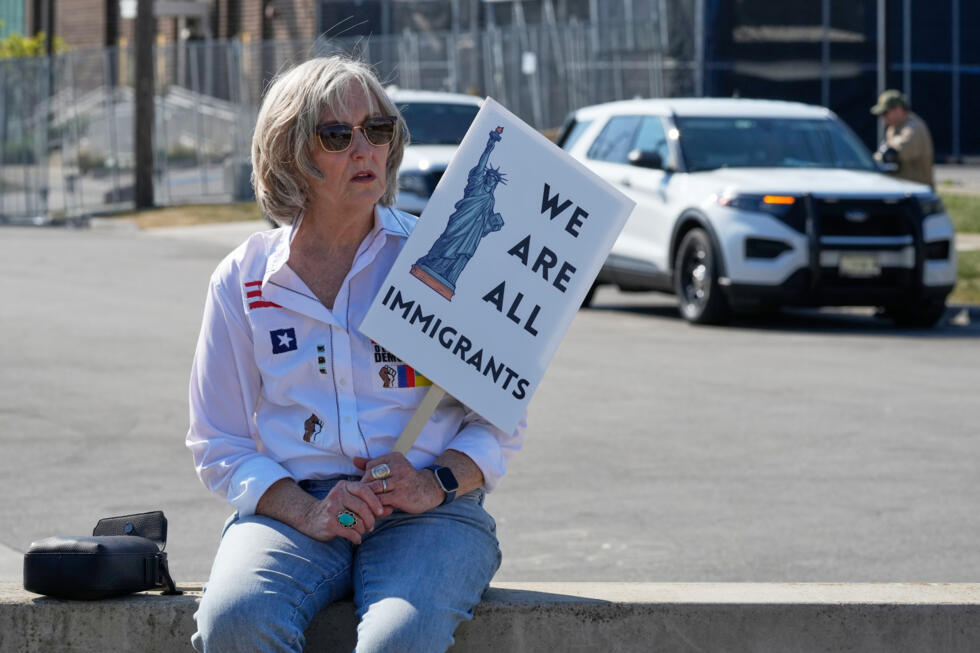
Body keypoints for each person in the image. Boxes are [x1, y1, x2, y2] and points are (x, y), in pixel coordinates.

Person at [186, 55, 525, 652]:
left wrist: (436, 481)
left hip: (431, 514)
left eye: (379, 130)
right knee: (234, 622)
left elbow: (500, 420)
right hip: (296, 509)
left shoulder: (438, 258)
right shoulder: (242, 279)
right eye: (337, 135)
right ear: (291, 154)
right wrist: (305, 510)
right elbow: (220, 441)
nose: (364, 149)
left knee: (399, 639)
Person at [870, 89, 935, 188]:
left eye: (885, 113)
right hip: (904, 190)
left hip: (917, 194)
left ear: (898, 109)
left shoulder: (914, 128)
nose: (882, 117)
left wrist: (869, 162)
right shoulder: (894, 127)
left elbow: (891, 154)